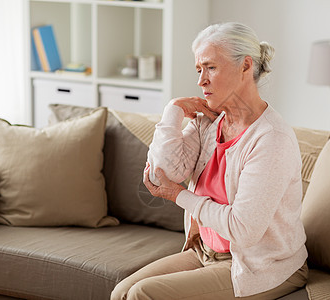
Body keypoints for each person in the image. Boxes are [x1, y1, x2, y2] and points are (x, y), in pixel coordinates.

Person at [111, 22, 308, 300]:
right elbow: (160, 174)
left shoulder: (270, 139)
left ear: (245, 66)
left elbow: (243, 229)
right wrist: (173, 111)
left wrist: (180, 195)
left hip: (258, 266)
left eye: (210, 68)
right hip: (205, 252)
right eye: (198, 69)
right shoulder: (209, 123)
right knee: (121, 292)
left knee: (143, 295)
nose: (201, 80)